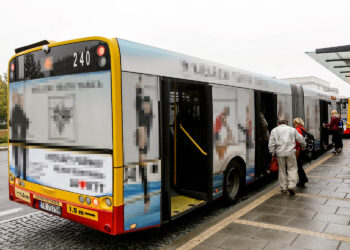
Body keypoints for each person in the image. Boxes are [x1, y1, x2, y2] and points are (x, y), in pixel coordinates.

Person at [268, 118, 306, 196]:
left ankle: (284, 188)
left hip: (280, 153)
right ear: (287, 123)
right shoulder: (292, 129)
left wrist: (272, 152)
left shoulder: (274, 130)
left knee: (282, 170)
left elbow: (271, 143)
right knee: (292, 168)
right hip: (291, 152)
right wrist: (303, 146)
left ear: (278, 123)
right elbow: (301, 139)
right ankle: (291, 185)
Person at [293, 118, 308, 188]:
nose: (294, 124)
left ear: (298, 123)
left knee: (298, 166)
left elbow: (298, 142)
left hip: (299, 150)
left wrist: (296, 151)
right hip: (302, 150)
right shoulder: (302, 128)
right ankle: (303, 179)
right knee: (299, 166)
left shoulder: (298, 130)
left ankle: (302, 180)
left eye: (294, 123)